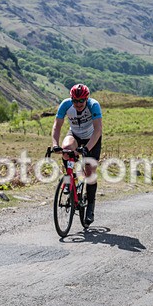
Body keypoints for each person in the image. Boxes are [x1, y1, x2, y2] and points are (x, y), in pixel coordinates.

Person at [51, 83, 103, 224]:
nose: (78, 104)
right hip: (74, 134)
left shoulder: (93, 105)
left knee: (89, 171)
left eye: (81, 101)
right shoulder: (65, 105)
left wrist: (86, 148)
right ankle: (69, 181)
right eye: (75, 101)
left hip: (92, 137)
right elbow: (57, 126)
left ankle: (90, 207)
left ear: (86, 99)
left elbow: (98, 129)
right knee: (66, 149)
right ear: (71, 99)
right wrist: (55, 144)